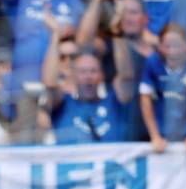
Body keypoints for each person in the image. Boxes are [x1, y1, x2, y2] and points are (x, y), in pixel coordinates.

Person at [77, 0, 155, 141]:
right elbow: (83, 42)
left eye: (133, 12)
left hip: (156, 131)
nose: (127, 18)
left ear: (145, 18)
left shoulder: (157, 50)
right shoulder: (109, 43)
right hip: (122, 129)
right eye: (123, 12)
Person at [43, 10, 134, 144]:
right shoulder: (64, 105)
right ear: (73, 76)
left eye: (93, 71)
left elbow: (126, 76)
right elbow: (49, 83)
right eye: (83, 71)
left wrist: (116, 32)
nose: (88, 76)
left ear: (102, 76)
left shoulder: (113, 103)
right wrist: (55, 35)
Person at [139, 23, 186, 153]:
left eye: (177, 45)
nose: (172, 52)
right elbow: (145, 99)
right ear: (160, 46)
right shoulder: (152, 63)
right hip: (162, 131)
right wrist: (155, 136)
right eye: (167, 46)